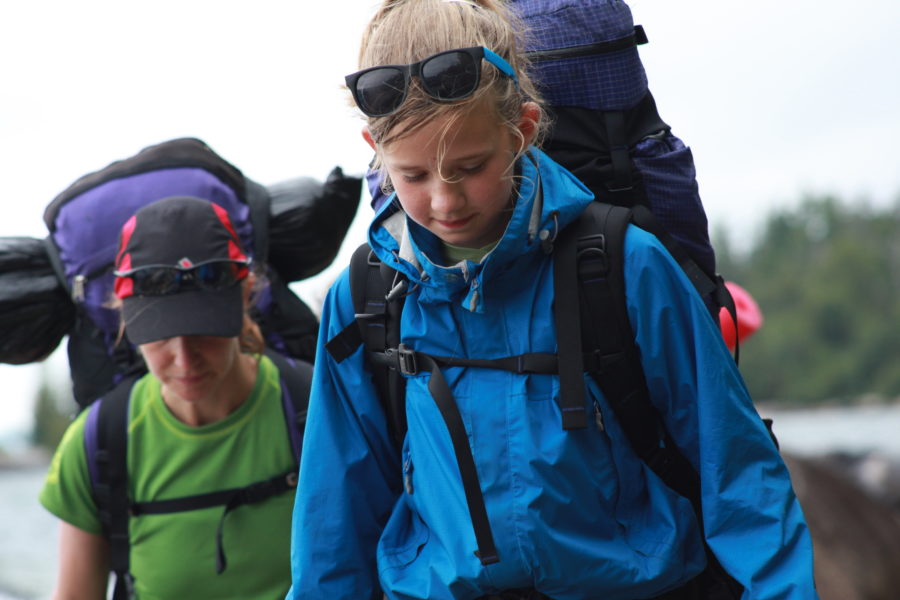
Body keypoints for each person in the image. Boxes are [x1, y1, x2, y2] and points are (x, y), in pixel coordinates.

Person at [287, 1, 818, 599]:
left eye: (470, 166)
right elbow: (335, 519)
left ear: (523, 129)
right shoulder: (365, 298)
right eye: (412, 176)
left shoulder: (625, 263)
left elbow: (739, 473)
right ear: (374, 150)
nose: (444, 200)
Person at [40, 195, 310, 599]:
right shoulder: (98, 443)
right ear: (123, 313)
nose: (184, 360)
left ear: (245, 294)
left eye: (204, 329)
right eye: (160, 334)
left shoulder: (317, 410)